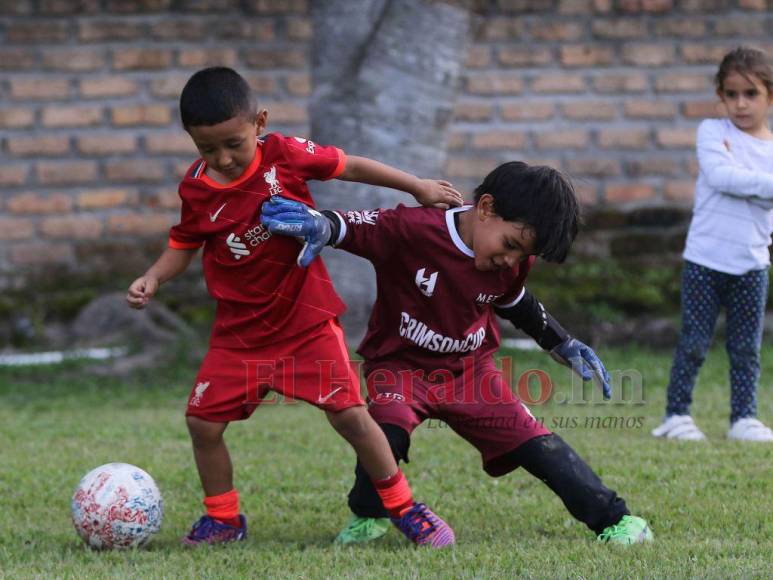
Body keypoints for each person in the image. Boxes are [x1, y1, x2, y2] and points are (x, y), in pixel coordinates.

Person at [126, 66, 464, 547]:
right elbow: (183, 242)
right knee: (202, 423)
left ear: (259, 123)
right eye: (207, 148)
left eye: (233, 143)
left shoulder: (284, 155)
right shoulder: (197, 188)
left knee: (350, 416)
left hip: (304, 323)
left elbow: (351, 165)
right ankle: (224, 519)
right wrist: (153, 277)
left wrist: (417, 187)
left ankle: (405, 508)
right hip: (239, 335)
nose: (221, 158)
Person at [261, 161, 653, 546]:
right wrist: (321, 224)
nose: (511, 261)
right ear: (485, 208)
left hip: (471, 374)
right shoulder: (412, 229)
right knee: (384, 432)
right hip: (400, 369)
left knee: (539, 445)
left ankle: (615, 519)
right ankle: (369, 515)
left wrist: (559, 341)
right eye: (511, 246)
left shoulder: (511, 260)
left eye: (522, 256)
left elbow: (513, 300)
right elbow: (350, 226)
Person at [652, 47, 773, 442]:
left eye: (751, 94)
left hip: (752, 264)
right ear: (721, 94)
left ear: (769, 95)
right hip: (705, 261)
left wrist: (745, 180)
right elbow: (721, 178)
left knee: (746, 348)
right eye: (732, 93)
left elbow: (742, 183)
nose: (740, 103)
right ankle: (676, 416)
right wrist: (757, 185)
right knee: (695, 342)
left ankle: (744, 419)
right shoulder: (711, 132)